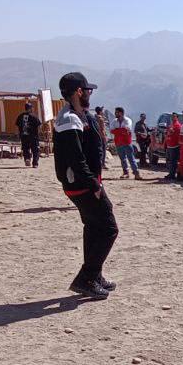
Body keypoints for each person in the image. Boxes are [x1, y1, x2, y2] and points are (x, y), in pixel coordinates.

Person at [54, 72, 117, 299]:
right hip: (83, 184)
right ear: (79, 92)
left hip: (85, 182)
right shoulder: (69, 120)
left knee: (93, 227)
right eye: (87, 90)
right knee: (109, 228)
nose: (90, 94)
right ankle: (86, 278)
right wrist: (93, 184)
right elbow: (76, 158)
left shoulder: (78, 115)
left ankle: (94, 275)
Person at [111, 106, 141, 179]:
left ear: (121, 113)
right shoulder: (114, 121)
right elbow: (111, 130)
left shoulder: (128, 120)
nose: (115, 113)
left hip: (126, 142)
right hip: (118, 142)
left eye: (117, 112)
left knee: (131, 158)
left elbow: (126, 130)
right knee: (122, 159)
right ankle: (126, 173)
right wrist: (121, 130)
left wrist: (117, 130)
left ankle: (136, 173)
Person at [16, 101, 41, 168]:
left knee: (25, 149)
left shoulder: (20, 116)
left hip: (24, 136)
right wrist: (39, 134)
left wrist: (19, 134)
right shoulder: (34, 116)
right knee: (35, 150)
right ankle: (35, 163)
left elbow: (17, 126)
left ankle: (27, 159)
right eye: (32, 108)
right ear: (30, 108)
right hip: (33, 136)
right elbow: (38, 126)